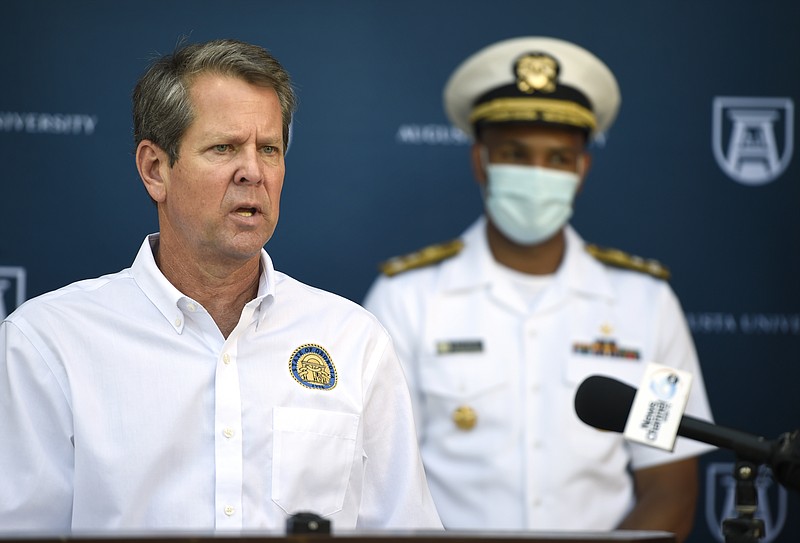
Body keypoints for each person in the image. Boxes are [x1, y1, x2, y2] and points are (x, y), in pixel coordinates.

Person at [0, 39, 441, 534]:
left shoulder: (352, 339)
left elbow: (405, 529)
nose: (252, 171)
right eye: (224, 148)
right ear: (155, 170)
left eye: (269, 149)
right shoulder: (48, 342)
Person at [363, 36, 714, 542]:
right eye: (515, 154)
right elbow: (379, 485)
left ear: (581, 170)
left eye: (557, 158)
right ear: (481, 161)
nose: (536, 174)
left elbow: (669, 486)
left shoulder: (648, 305)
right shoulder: (407, 299)